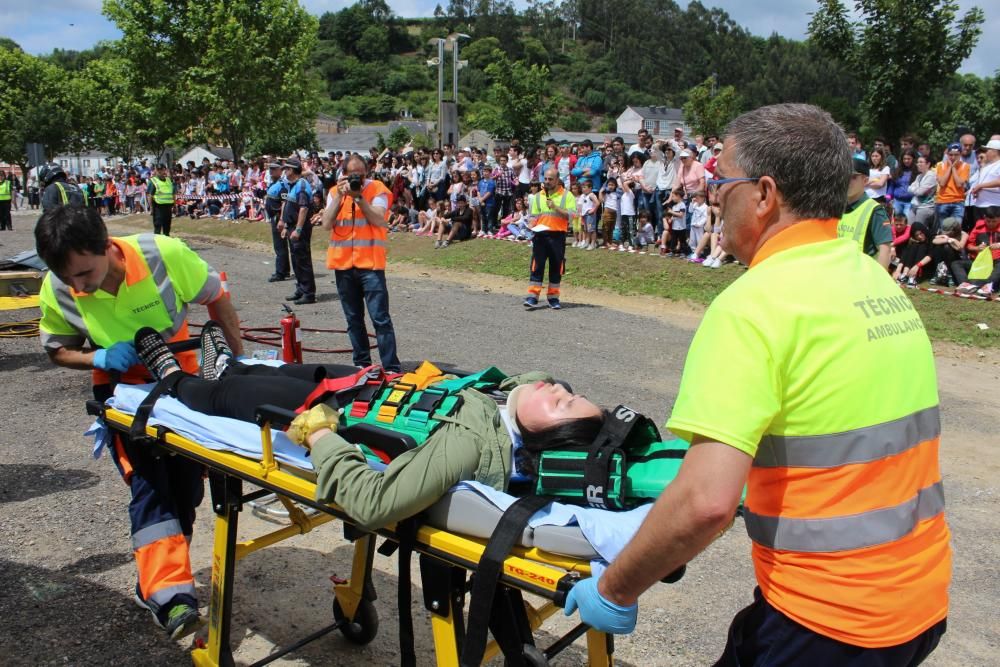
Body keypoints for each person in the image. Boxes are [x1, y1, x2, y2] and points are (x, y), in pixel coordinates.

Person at [565, 104, 950, 666]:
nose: (712, 196)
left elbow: (705, 503)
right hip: (916, 600)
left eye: (722, 181)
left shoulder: (754, 306)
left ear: (765, 194)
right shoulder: (869, 276)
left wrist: (614, 589)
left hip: (827, 622)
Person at [34, 205, 245, 640]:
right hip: (123, 392)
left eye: (85, 273)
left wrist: (236, 360)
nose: (78, 286)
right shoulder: (58, 287)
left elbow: (216, 299)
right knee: (151, 484)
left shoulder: (161, 255)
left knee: (186, 489)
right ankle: (170, 597)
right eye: (68, 278)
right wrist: (97, 356)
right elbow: (57, 348)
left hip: (182, 380)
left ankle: (156, 579)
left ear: (106, 247)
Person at [321, 154, 401, 373]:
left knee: (380, 319)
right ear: (343, 174)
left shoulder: (377, 189)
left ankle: (391, 367)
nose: (356, 179)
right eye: (351, 175)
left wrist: (358, 198)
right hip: (344, 266)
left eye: (360, 175)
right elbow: (326, 224)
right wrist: (339, 196)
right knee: (353, 319)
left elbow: (377, 218)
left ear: (367, 173)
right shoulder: (334, 192)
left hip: (371, 266)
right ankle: (362, 365)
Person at [524, 168, 575, 309]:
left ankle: (553, 298)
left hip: (557, 236)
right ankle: (532, 296)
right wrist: (530, 223)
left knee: (556, 267)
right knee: (537, 266)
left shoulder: (567, 195)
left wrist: (556, 207)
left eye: (550, 179)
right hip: (540, 236)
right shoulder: (538, 196)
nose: (547, 181)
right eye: (545, 179)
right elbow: (534, 215)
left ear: (557, 180)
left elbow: (571, 216)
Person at [839, 157, 893, 269]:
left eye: (853, 177)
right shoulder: (836, 206)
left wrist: (877, 280)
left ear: (865, 180)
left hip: (860, 278)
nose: (847, 180)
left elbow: (885, 250)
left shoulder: (874, 210)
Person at [280, 158, 316, 305]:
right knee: (296, 260)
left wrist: (298, 229)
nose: (285, 171)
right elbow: (292, 208)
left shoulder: (301, 185)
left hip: (300, 228)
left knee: (302, 260)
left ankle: (308, 293)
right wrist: (287, 227)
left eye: (287, 168)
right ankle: (301, 289)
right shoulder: (294, 185)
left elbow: (303, 208)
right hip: (293, 226)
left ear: (293, 170)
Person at [952, 206, 1000, 297]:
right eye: (988, 221)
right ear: (984, 217)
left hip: (996, 261)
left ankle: (986, 285)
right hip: (978, 262)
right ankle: (966, 284)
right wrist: (977, 248)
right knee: (956, 264)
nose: (991, 224)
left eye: (994, 221)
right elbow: (969, 246)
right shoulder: (978, 227)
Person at [263, 162, 290, 283]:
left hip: (278, 217)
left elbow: (284, 203)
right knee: (280, 246)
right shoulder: (273, 184)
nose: (271, 171)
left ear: (280, 170)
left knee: (279, 246)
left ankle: (280, 272)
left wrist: (281, 219)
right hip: (274, 217)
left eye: (274, 169)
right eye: (270, 169)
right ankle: (285, 270)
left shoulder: (282, 184)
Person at [935, 142, 970, 227]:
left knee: (956, 229)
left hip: (958, 202)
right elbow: (942, 183)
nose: (953, 157)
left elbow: (959, 184)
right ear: (947, 154)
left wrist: (953, 168)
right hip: (942, 201)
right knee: (944, 229)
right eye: (950, 155)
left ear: (960, 154)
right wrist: (949, 167)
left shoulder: (965, 166)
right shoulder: (941, 165)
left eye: (956, 155)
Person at [147, 164, 175, 236]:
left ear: (165, 170)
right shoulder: (153, 181)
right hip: (158, 207)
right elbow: (150, 195)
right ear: (156, 170)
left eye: (162, 169)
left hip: (168, 206)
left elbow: (173, 193)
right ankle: (157, 243)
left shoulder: (169, 180)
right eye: (158, 169)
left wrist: (174, 205)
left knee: (167, 226)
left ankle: (166, 243)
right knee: (158, 225)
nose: (160, 171)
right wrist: (151, 208)